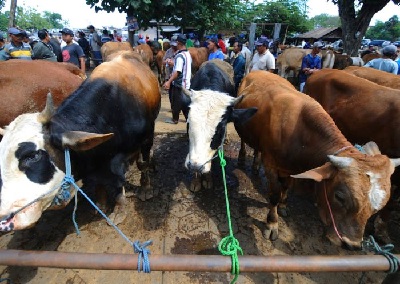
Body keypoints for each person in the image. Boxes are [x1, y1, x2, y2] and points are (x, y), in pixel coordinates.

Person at [163, 34, 192, 124]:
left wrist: (169, 81)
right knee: (186, 104)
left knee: (176, 103)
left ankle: (175, 120)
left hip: (179, 84)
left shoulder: (179, 56)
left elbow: (177, 72)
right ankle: (188, 120)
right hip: (187, 83)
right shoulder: (187, 54)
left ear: (178, 43)